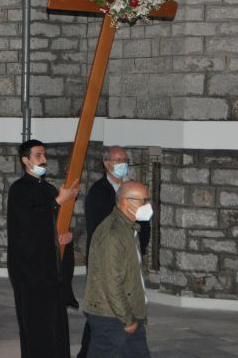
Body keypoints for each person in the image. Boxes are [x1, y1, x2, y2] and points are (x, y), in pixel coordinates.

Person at [78, 146, 151, 358]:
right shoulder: (113, 234)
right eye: (143, 201)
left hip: (125, 314)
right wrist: (127, 319)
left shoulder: (129, 227)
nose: (147, 205)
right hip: (113, 317)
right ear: (126, 203)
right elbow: (112, 282)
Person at [7, 139, 77, 357]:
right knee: (36, 328)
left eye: (44, 155)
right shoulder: (19, 190)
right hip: (30, 273)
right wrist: (58, 201)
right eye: (38, 155)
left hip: (51, 271)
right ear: (26, 160)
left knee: (56, 327)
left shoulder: (48, 190)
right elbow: (28, 224)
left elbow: (54, 227)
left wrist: (65, 238)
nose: (44, 160)